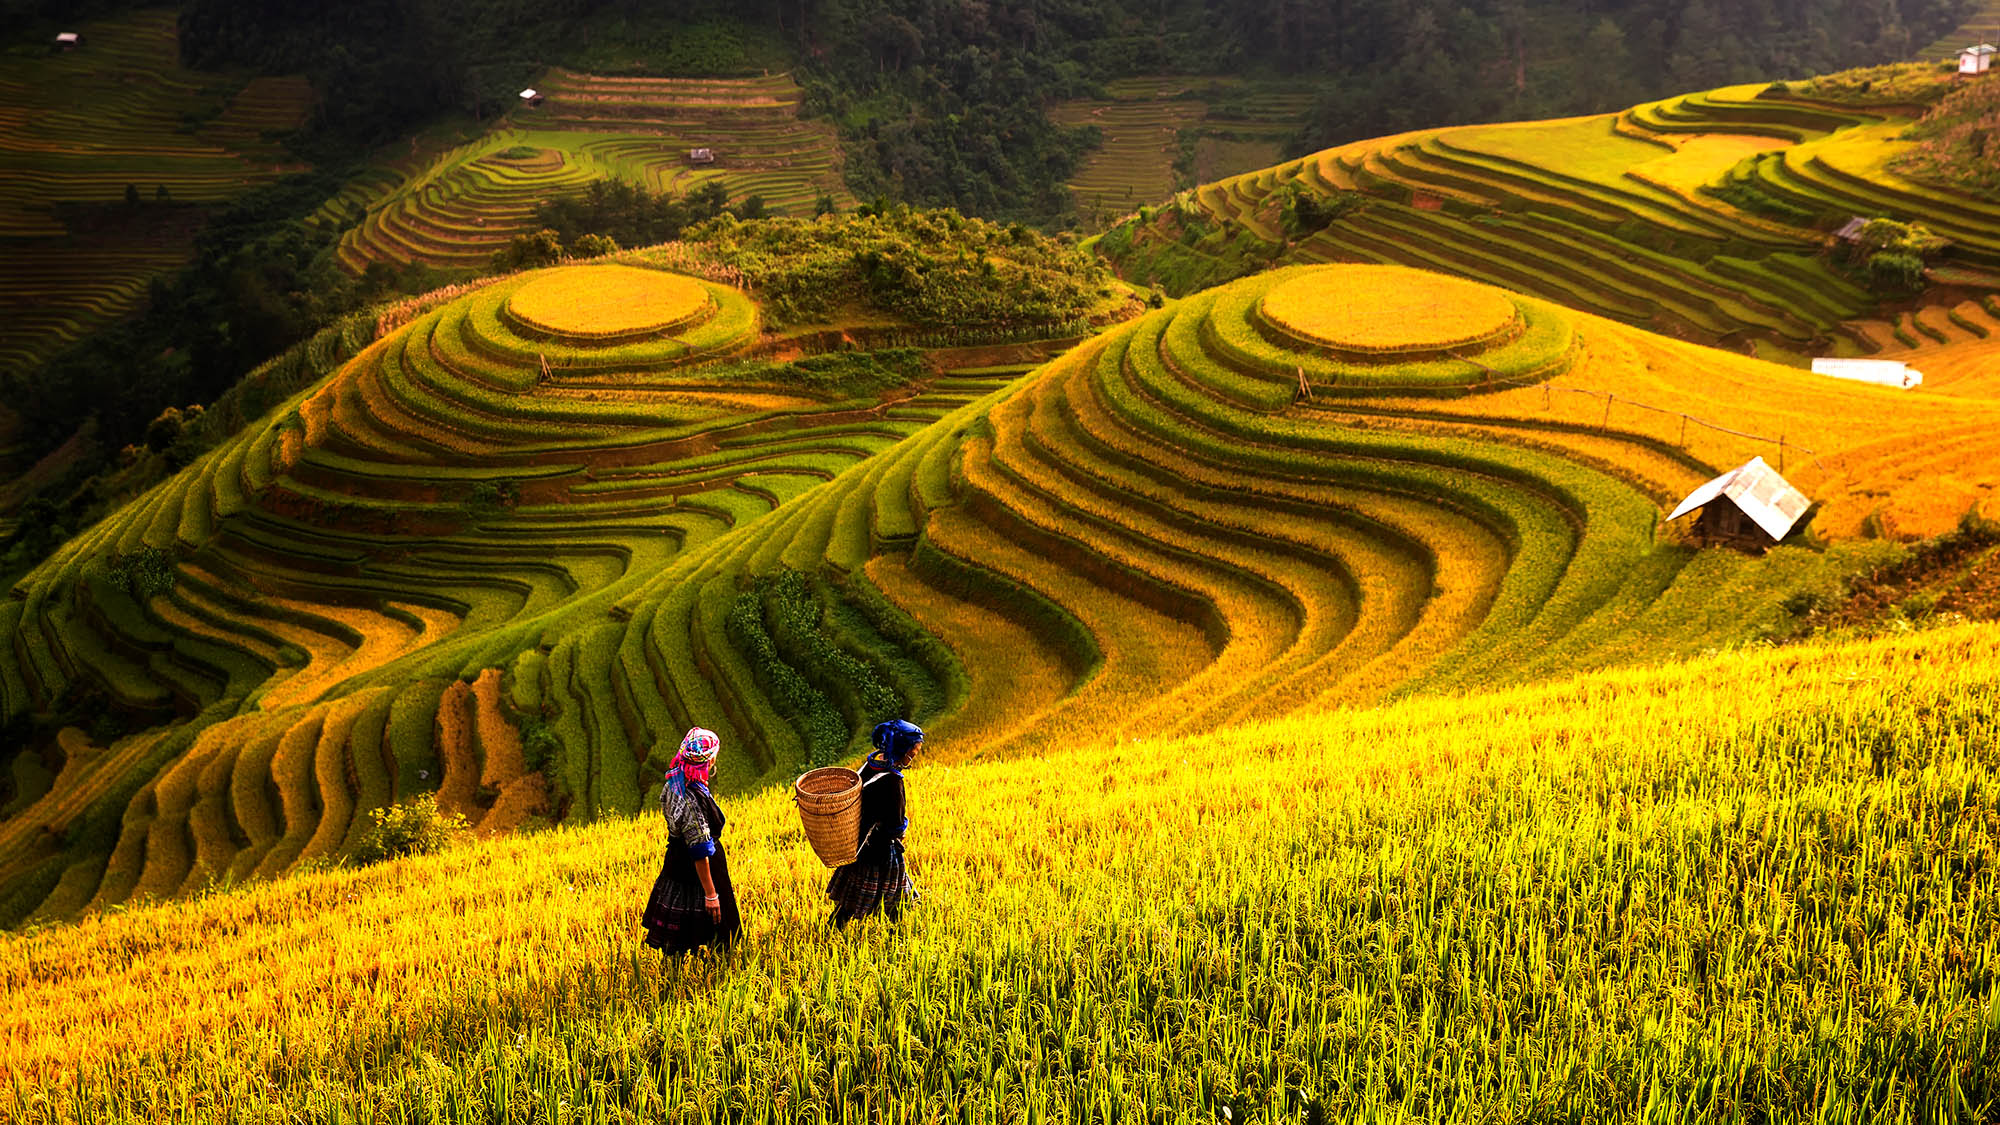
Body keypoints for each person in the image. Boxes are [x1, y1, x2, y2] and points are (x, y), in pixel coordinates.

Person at [641, 727, 740, 955]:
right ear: (709, 760)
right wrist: (711, 894)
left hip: (675, 862)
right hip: (697, 869)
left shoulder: (673, 783)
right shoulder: (690, 798)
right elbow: (699, 849)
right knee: (717, 929)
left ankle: (679, 972)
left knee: (676, 935)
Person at [827, 719, 923, 928]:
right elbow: (895, 824)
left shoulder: (869, 765)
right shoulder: (892, 782)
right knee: (895, 896)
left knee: (852, 896)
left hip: (860, 843)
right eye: (912, 754)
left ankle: (834, 927)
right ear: (901, 751)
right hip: (881, 849)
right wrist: (902, 831)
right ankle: (897, 935)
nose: (912, 758)